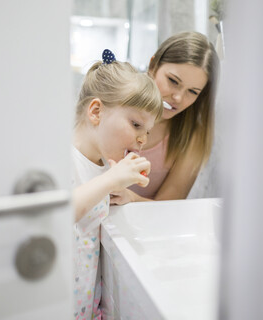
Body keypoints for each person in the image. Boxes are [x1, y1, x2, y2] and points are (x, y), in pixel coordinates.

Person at [72, 49, 162, 319]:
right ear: (96, 111)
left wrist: (123, 193)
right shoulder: (63, 158)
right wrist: (109, 180)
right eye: (136, 124)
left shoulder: (102, 166)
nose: (142, 140)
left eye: (147, 131)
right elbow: (58, 214)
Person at [110, 31, 220, 205]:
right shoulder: (113, 102)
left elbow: (169, 205)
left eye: (192, 92)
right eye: (173, 81)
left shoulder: (191, 136)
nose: (178, 98)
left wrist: (131, 198)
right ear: (153, 65)